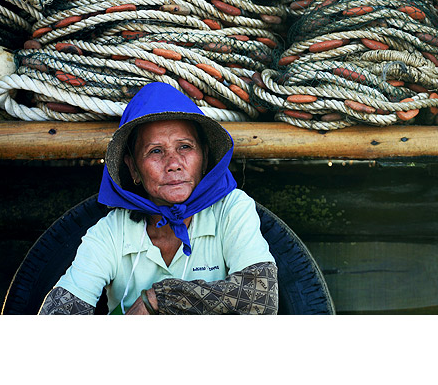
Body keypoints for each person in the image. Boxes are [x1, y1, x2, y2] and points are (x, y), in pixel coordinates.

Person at [38, 81, 278, 315]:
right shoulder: (112, 232)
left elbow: (261, 296)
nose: (173, 164)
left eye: (184, 147)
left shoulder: (231, 209)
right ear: (133, 169)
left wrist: (156, 299)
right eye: (155, 151)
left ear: (204, 157)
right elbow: (59, 313)